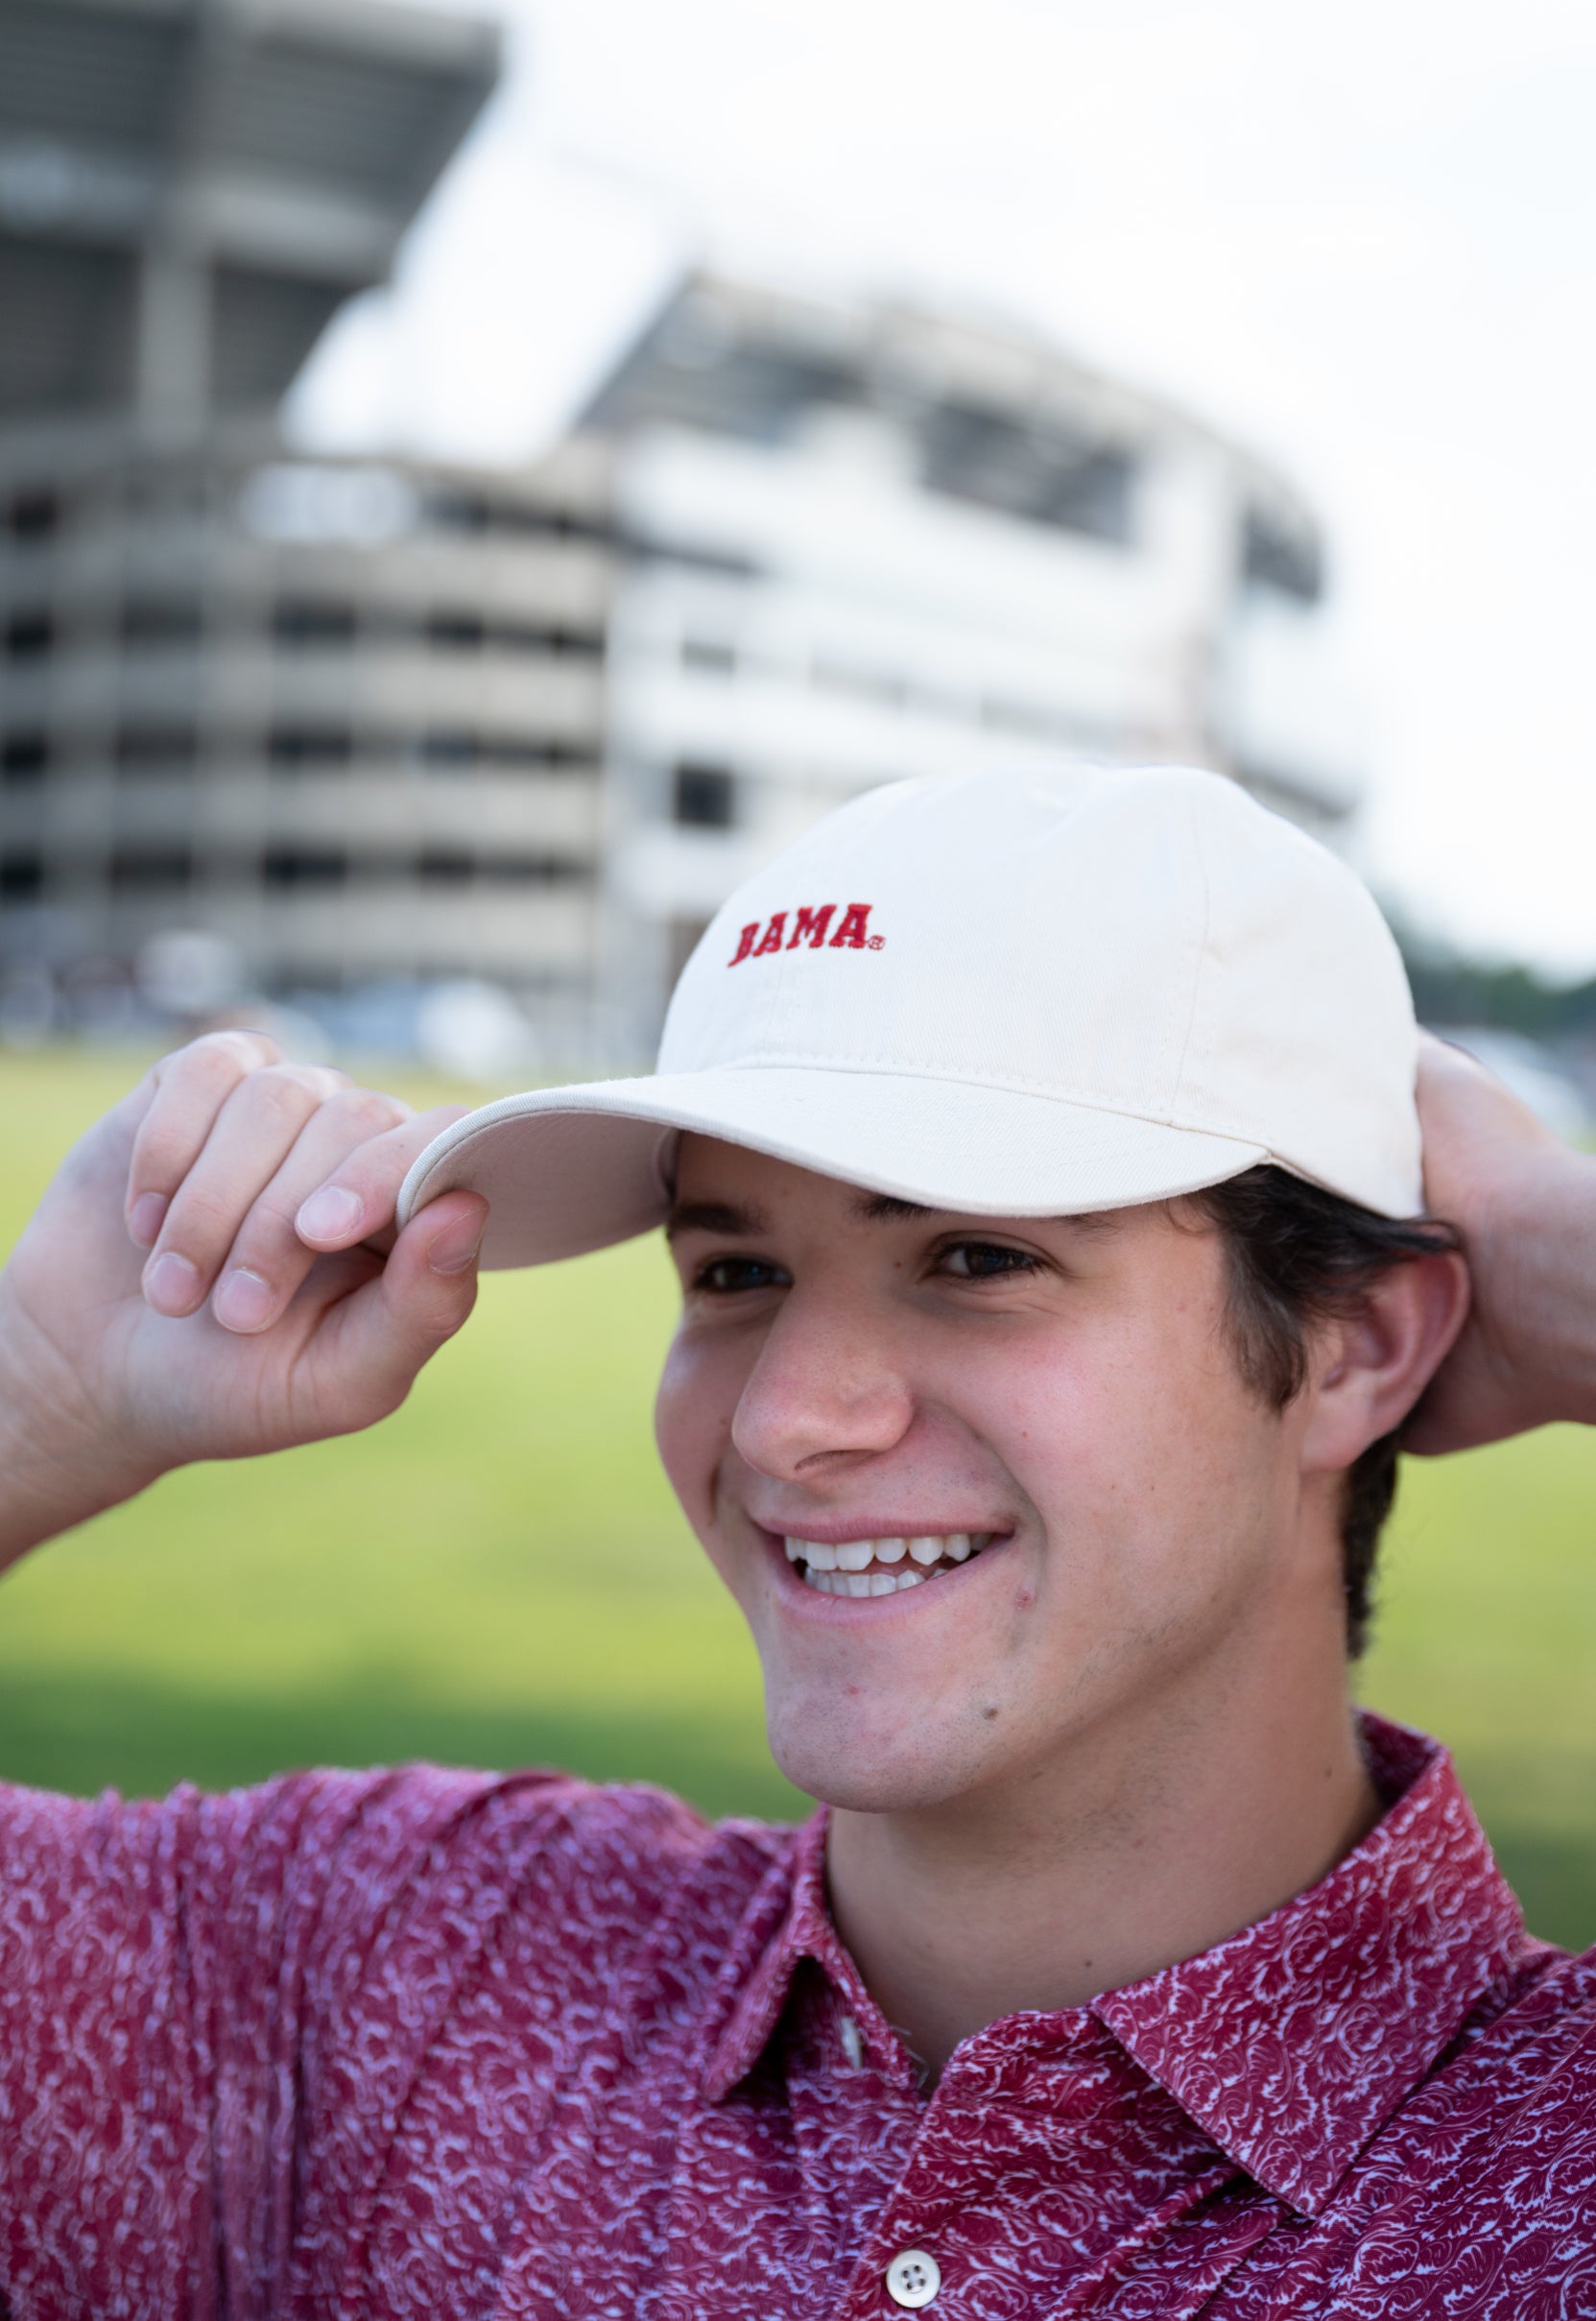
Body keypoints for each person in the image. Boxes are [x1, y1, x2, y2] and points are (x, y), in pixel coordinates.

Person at [0, 761, 1592, 2319]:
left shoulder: (1547, 2186)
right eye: (736, 1274)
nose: (780, 1424)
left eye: (975, 1255)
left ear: (1361, 1345)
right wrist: (42, 1396)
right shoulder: (408, 1971)